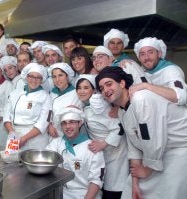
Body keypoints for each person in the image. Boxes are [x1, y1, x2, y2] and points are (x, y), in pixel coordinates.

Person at [96, 66, 187, 199]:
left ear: (122, 83)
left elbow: (154, 141)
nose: (106, 90)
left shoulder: (140, 99)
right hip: (157, 155)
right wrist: (135, 181)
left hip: (180, 150)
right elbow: (134, 145)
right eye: (102, 88)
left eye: (109, 84)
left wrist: (146, 171)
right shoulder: (122, 111)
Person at [76, 74, 128, 199]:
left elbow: (119, 127)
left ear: (94, 90)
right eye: (79, 88)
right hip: (103, 152)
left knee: (115, 188)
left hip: (116, 153)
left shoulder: (100, 105)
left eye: (86, 88)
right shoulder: (86, 105)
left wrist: (103, 144)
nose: (82, 91)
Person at [46, 106, 105, 199]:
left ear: (80, 123)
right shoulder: (56, 143)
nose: (68, 126)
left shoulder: (92, 147)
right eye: (64, 123)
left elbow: (96, 181)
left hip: (87, 194)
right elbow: (45, 160)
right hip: (63, 192)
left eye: (72, 122)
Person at [4, 63, 50, 150]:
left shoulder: (45, 96)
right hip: (14, 135)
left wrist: (24, 138)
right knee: (13, 161)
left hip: (36, 140)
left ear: (41, 80)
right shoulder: (15, 93)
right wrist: (11, 132)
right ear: (27, 77)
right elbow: (6, 115)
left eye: (38, 77)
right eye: (31, 76)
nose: (34, 80)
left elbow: (44, 122)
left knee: (34, 162)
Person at [133, 37, 187, 105]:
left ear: (159, 54)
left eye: (150, 52)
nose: (146, 57)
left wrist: (146, 86)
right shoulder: (141, 71)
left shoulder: (171, 70)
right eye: (142, 54)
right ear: (139, 58)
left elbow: (181, 97)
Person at [48, 63, 83, 138]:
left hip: (71, 135)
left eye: (60, 75)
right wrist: (49, 125)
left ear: (67, 76)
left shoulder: (76, 93)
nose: (57, 79)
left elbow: (82, 115)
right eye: (54, 77)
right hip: (54, 134)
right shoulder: (52, 93)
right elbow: (49, 111)